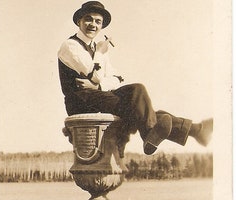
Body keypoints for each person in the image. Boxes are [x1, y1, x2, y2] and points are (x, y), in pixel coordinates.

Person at [58, 1, 213, 155]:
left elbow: (117, 77)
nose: (93, 24)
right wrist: (99, 54)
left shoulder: (97, 48)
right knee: (138, 108)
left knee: (137, 90)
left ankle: (156, 132)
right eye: (88, 19)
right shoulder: (71, 46)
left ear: (102, 26)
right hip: (80, 101)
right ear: (79, 21)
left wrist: (98, 86)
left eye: (98, 21)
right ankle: (187, 130)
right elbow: (96, 76)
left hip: (98, 96)